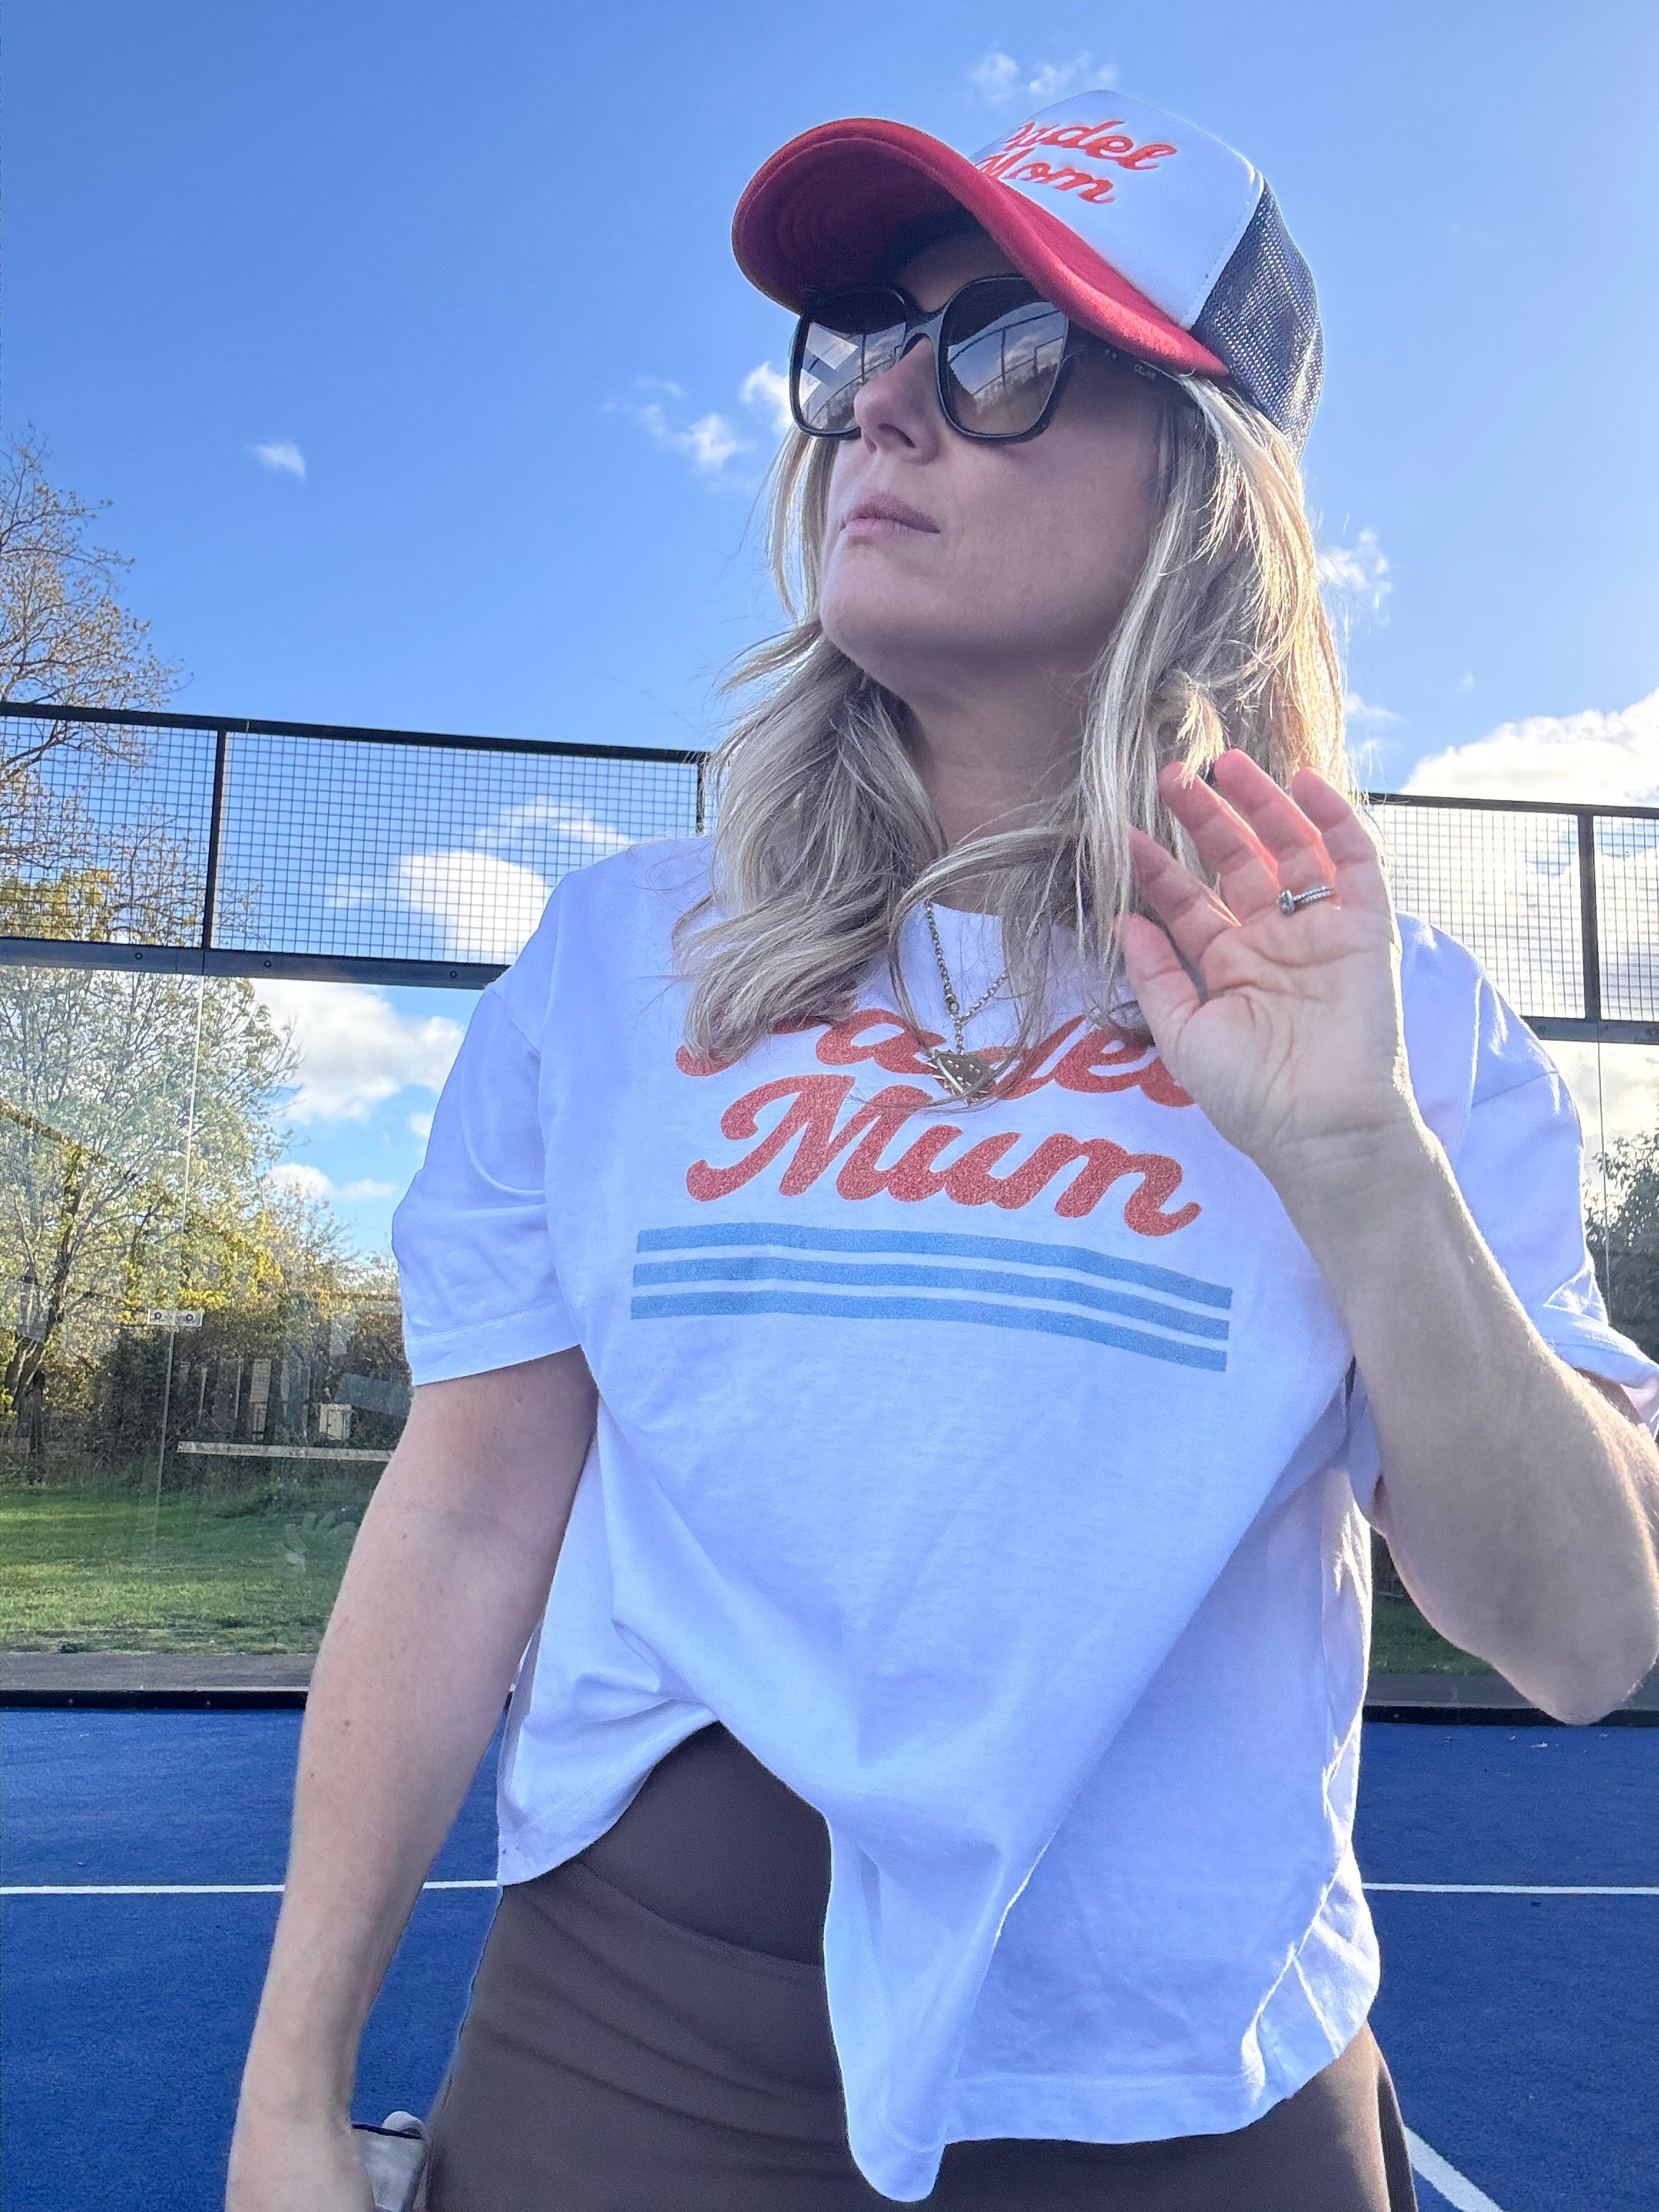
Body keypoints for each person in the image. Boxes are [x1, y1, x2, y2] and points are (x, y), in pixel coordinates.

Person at [227, 89, 1659, 2212]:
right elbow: (459, 1522)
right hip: (627, 2064)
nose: (880, 405)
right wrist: (286, 2095)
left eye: (1002, 345)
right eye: (860, 344)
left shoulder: (1404, 1027)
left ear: (1205, 485)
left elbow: (1585, 1639)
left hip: (1194, 2110)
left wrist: (1356, 1159)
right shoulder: (616, 966)